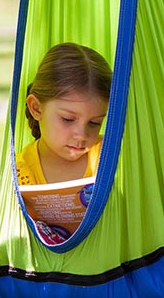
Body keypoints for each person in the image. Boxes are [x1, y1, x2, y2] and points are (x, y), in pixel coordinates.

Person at [16, 42, 112, 243]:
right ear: (36, 108)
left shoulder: (110, 158)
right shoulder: (20, 171)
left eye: (95, 123)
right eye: (68, 119)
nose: (81, 134)